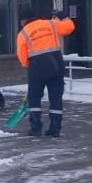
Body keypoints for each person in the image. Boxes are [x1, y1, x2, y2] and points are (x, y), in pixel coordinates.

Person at [16, 9, 76, 137]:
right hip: (56, 66)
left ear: (24, 20)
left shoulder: (23, 33)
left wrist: (29, 66)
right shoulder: (50, 24)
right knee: (56, 99)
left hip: (37, 69)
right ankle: (55, 129)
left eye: (21, 21)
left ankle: (36, 128)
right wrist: (63, 16)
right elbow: (69, 27)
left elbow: (21, 55)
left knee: (34, 98)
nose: (20, 24)